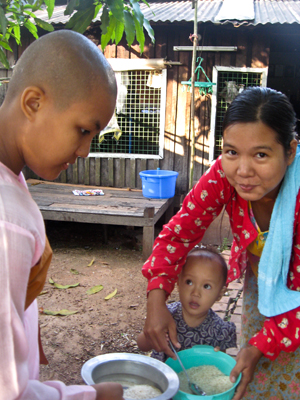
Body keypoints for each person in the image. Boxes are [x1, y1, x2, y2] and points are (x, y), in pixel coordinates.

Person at [141, 86, 300, 400]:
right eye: (231, 152)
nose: (243, 171)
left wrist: (260, 345)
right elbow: (179, 234)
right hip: (264, 286)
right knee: (256, 376)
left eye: (261, 154)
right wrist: (156, 300)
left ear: (291, 151)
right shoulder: (222, 178)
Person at [0, 30, 123, 400]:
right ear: (33, 103)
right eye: (84, 130)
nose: (85, 150)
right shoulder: (9, 222)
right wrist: (92, 397)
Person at [137, 248, 236, 362]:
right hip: (162, 377)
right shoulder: (166, 315)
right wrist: (151, 338)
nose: (195, 293)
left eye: (206, 286)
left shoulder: (220, 330)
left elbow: (220, 368)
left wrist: (216, 357)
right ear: (178, 282)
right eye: (189, 282)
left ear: (220, 293)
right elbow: (141, 345)